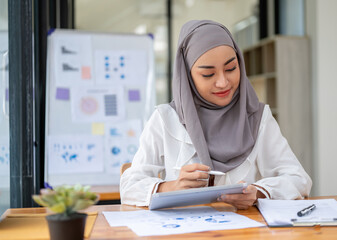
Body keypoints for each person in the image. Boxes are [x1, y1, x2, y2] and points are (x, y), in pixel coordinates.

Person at [120, 20, 312, 209]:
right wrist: (171, 187)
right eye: (208, 74)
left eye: (231, 69)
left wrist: (258, 193)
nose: (223, 82)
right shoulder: (165, 119)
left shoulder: (257, 116)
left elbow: (299, 179)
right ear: (187, 76)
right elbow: (129, 185)